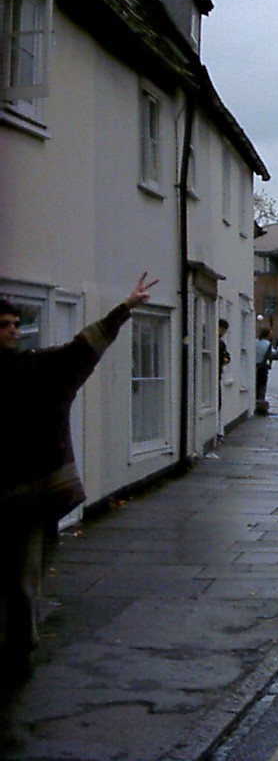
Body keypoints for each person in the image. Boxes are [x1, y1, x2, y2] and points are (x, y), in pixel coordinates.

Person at [0, 273, 158, 683]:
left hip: (29, 499)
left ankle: (19, 652)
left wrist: (124, 309)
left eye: (16, 324)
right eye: (4, 325)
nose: (13, 331)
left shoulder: (34, 369)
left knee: (21, 582)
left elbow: (81, 350)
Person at [254, 326, 273, 408]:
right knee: (262, 384)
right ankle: (260, 401)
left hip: (254, 365)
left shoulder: (255, 342)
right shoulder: (268, 344)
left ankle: (254, 399)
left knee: (255, 383)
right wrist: (269, 365)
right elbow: (269, 356)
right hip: (263, 366)